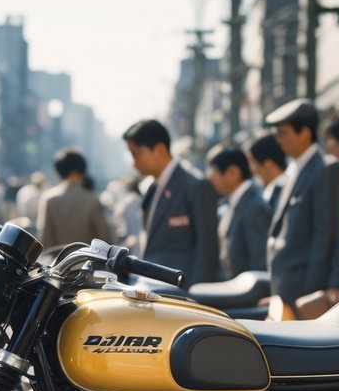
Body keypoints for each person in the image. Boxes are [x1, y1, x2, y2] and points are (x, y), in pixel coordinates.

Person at [264, 99, 339, 316]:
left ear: (304, 133)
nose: (278, 140)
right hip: (288, 292)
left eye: (283, 133)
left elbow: (329, 233)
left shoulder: (326, 169)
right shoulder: (296, 169)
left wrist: (325, 289)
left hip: (308, 293)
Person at [122, 119, 219, 285]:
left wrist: (196, 296)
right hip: (154, 288)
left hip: (180, 292)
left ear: (159, 149)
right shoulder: (152, 188)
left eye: (136, 153)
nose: (134, 162)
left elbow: (207, 251)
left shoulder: (195, 185)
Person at [206, 143, 271, 279]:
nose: (210, 177)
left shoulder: (254, 207)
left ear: (233, 172)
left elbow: (260, 263)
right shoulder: (232, 203)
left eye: (214, 170)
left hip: (245, 294)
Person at [36, 148, 112, 248]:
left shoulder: (49, 199)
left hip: (57, 261)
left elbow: (45, 239)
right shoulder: (91, 200)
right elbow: (105, 238)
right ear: (80, 168)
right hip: (87, 261)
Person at [246, 133, 288, 210]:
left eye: (253, 162)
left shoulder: (281, 193)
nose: (252, 169)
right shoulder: (270, 192)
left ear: (268, 164)